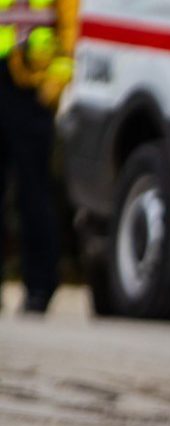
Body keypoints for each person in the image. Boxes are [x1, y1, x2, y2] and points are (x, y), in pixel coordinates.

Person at [0, 0, 77, 313]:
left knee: (34, 195)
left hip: (32, 90)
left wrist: (54, 82)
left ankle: (39, 287)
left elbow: (72, 31)